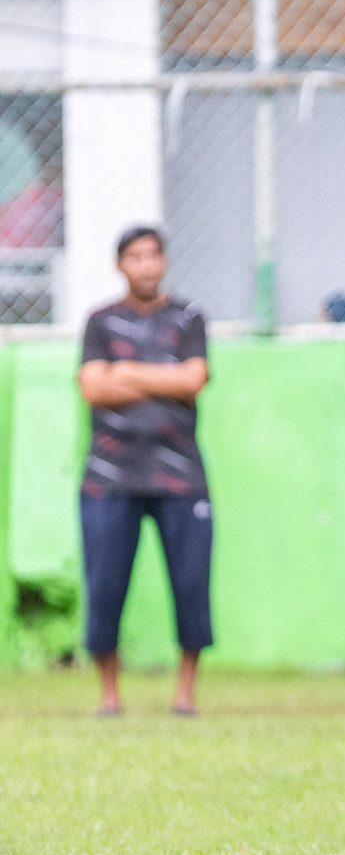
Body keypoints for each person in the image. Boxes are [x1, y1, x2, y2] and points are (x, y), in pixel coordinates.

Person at [77, 226, 213, 717]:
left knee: (192, 584)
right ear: (121, 265)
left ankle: (185, 696)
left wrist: (125, 371)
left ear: (164, 261)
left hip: (182, 477)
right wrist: (166, 378)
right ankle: (110, 696)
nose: (146, 265)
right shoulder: (99, 321)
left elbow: (195, 379)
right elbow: (92, 388)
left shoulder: (189, 317)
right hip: (108, 478)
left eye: (154, 255)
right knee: (105, 586)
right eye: (135, 257)